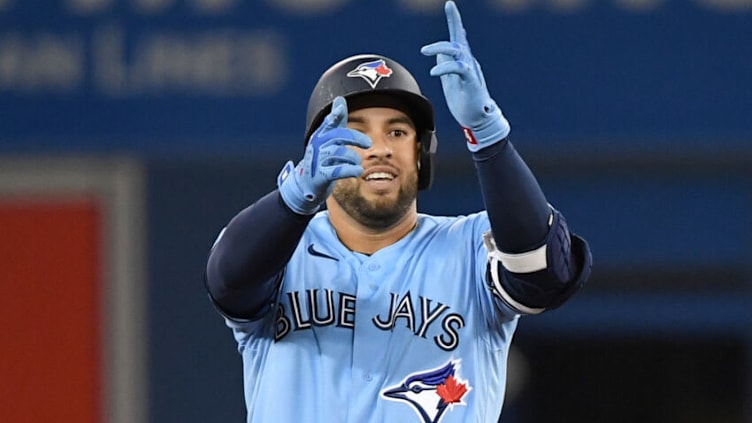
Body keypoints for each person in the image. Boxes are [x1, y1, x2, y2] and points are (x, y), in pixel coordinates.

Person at [204, 1, 592, 422]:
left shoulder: (470, 246)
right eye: (355, 131)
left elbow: (543, 271)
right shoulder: (278, 252)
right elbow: (227, 281)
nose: (380, 147)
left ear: (421, 153)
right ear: (318, 152)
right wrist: (294, 196)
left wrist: (488, 134)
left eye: (398, 131)